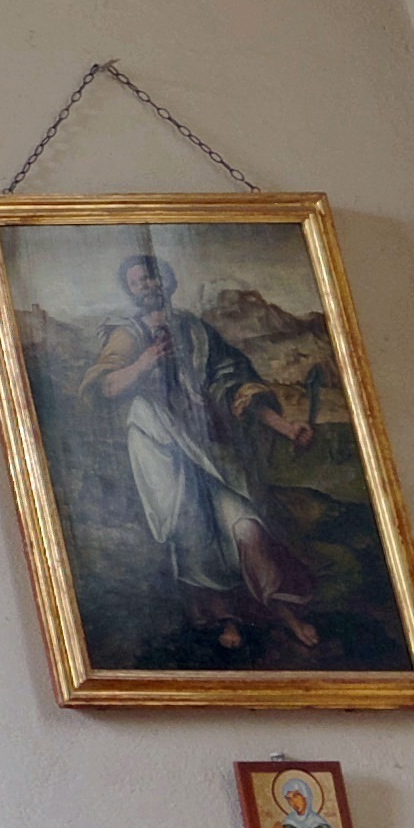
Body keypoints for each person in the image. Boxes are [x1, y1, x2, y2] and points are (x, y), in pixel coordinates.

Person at [81, 248, 317, 636]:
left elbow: (235, 385)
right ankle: (225, 618)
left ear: (168, 280)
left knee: (247, 528)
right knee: (193, 533)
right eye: (138, 281)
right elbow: (103, 384)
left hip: (209, 444)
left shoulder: (195, 330)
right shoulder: (128, 332)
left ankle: (285, 612)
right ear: (130, 291)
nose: (147, 285)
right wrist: (146, 362)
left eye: (152, 277)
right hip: (160, 445)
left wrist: (285, 427)